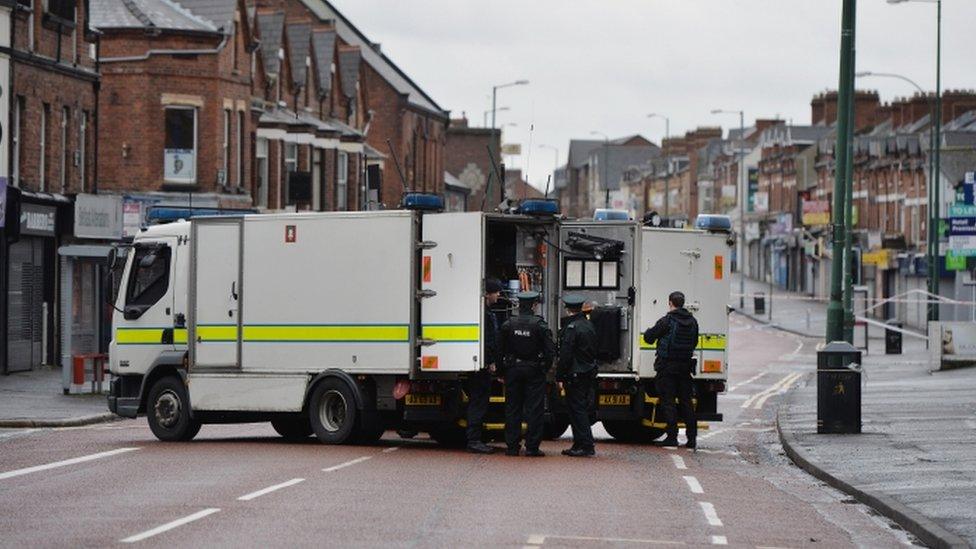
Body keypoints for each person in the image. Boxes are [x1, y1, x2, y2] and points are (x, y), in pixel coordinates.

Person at [498, 291, 555, 457]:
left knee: (512, 408)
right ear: (534, 305)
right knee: (534, 410)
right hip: (534, 370)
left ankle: (512, 447)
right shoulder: (540, 325)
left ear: (519, 305)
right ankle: (532, 447)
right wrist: (544, 368)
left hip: (513, 370)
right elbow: (550, 351)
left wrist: (501, 371)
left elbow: (499, 349)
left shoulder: (508, 324)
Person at [642, 291, 699, 448]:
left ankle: (672, 437)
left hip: (667, 367)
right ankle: (692, 438)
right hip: (685, 367)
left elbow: (649, 338)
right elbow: (694, 342)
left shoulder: (667, 321)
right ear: (683, 303)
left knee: (668, 402)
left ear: (670, 303)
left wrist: (649, 332)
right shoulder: (693, 321)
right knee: (686, 402)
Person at [557, 294, 598, 457]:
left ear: (567, 310)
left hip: (575, 374)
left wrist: (559, 376)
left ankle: (586, 445)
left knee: (576, 410)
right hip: (587, 372)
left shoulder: (572, 328)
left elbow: (565, 355)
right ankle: (579, 444)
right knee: (580, 409)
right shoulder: (589, 325)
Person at [466, 278, 504, 454]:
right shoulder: (485, 314)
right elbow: (488, 341)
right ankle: (474, 440)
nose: (498, 295)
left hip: (480, 364)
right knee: (478, 402)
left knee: (478, 401)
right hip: (482, 367)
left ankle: (476, 438)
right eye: (496, 292)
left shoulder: (484, 312)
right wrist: (490, 362)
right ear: (487, 294)